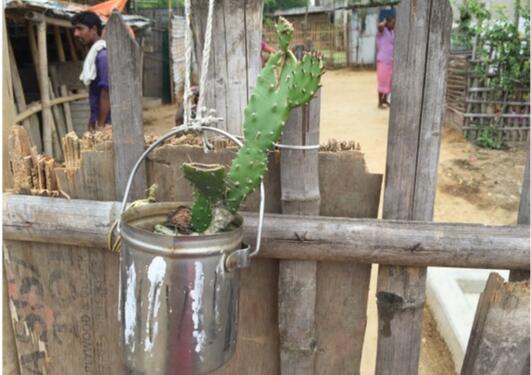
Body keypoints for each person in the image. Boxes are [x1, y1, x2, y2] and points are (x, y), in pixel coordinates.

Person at [72, 11, 111, 131]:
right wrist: (93, 119)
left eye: (80, 29)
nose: (76, 34)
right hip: (100, 119)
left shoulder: (102, 56)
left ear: (94, 29)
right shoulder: (94, 55)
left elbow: (106, 92)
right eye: (75, 29)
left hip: (108, 124)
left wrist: (100, 125)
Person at [376, 9, 396, 109]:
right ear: (387, 22)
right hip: (383, 60)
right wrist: (383, 22)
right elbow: (379, 27)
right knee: (382, 81)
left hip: (390, 61)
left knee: (389, 81)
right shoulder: (382, 31)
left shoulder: (392, 32)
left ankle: (385, 100)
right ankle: (380, 102)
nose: (394, 24)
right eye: (392, 22)